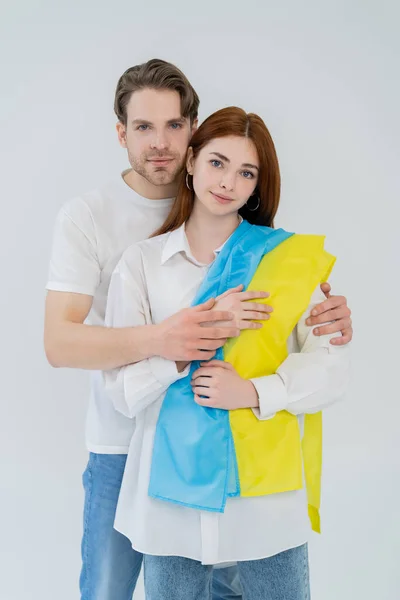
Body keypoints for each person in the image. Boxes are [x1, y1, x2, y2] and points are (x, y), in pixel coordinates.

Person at [44, 59, 352, 600]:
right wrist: (179, 341)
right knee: (107, 589)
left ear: (189, 133)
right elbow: (63, 345)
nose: (159, 142)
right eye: (143, 127)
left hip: (253, 474)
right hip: (137, 460)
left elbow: (323, 361)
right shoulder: (115, 240)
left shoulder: (276, 255)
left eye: (245, 172)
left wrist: (262, 384)